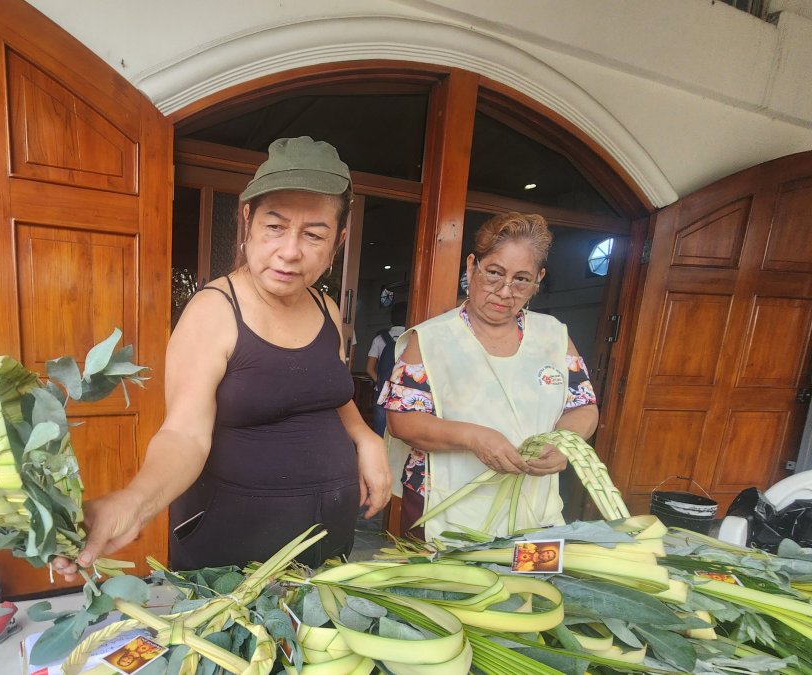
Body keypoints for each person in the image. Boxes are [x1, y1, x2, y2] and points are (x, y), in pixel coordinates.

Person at [54, 136, 391, 574]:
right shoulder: (215, 310)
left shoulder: (325, 307)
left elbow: (325, 391)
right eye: (275, 226)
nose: (290, 251)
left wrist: (366, 438)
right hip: (235, 550)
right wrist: (135, 503)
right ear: (247, 220)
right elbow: (184, 435)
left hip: (328, 535)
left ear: (339, 240)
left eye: (314, 234)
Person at [380, 213, 598, 541]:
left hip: (534, 508)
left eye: (522, 279)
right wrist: (475, 438)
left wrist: (564, 443)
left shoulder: (553, 337)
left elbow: (583, 407)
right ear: (472, 266)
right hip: (444, 504)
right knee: (441, 591)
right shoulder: (431, 340)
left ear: (539, 278)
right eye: (494, 273)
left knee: (527, 591)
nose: (505, 291)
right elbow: (402, 422)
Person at [364, 301, 407, 436]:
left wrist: (382, 382)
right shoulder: (411, 338)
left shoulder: (379, 339)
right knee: (400, 434)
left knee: (380, 432)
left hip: (382, 391)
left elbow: (369, 368)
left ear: (391, 318)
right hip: (404, 392)